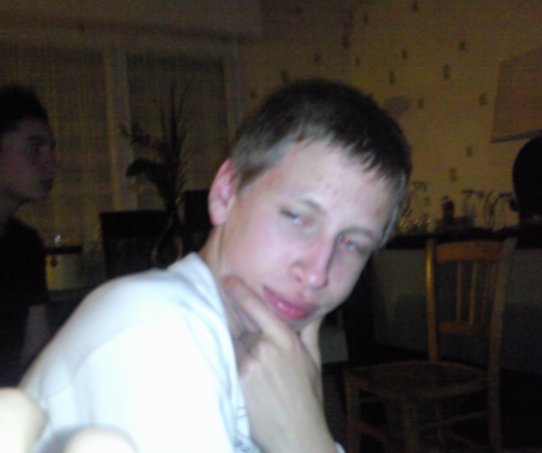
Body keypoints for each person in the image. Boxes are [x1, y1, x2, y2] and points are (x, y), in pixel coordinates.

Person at [21, 79, 412, 453]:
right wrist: (305, 440)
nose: (316, 274)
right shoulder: (156, 329)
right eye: (296, 217)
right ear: (226, 193)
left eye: (352, 244)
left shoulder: (270, 362)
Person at [0, 85, 56, 386]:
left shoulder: (26, 245)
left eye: (51, 150)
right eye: (35, 149)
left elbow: (36, 348)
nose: (50, 163)